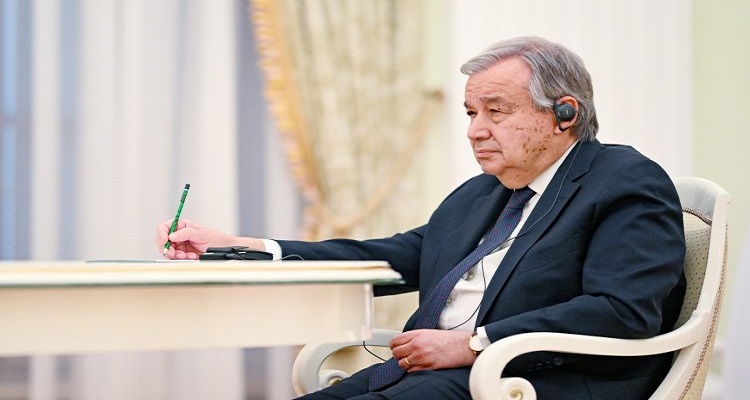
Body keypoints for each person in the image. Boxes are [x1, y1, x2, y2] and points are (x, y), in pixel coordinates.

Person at [156, 36, 686, 400]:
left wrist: (474, 343)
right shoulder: (483, 193)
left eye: (496, 111)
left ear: (564, 114)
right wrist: (247, 248)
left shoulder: (623, 179)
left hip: (538, 381)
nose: (476, 130)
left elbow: (621, 311)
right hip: (439, 373)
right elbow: (390, 258)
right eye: (471, 113)